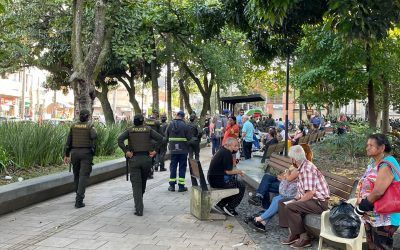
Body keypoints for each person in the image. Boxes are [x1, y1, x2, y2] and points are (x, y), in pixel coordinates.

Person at [354, 134, 400, 249]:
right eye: (367, 145)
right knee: (372, 246)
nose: (367, 148)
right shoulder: (372, 163)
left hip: (385, 217)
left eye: (371, 145)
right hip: (371, 215)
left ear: (382, 148)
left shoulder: (387, 163)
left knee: (381, 246)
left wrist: (361, 207)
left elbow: (378, 192)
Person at [279, 145, 330, 248]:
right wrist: (295, 199)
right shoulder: (302, 167)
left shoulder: (307, 168)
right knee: (284, 203)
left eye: (291, 159)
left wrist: (296, 203)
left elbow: (310, 193)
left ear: (293, 159)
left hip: (319, 203)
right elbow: (301, 191)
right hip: (312, 201)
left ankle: (304, 237)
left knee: (291, 207)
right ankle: (294, 234)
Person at [117, 114, 164, 216]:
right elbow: (161, 139)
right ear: (143, 121)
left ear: (134, 121)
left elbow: (119, 139)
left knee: (136, 185)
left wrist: (126, 151)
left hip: (134, 159)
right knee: (142, 182)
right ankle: (139, 203)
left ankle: (139, 208)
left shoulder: (130, 130)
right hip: (146, 159)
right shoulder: (148, 129)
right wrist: (155, 151)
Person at [64, 109, 97, 208]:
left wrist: (66, 155)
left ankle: (77, 193)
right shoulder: (90, 126)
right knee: (83, 176)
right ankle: (79, 200)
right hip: (86, 154)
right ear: (87, 117)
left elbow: (68, 142)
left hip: (74, 153)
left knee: (76, 174)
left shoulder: (73, 126)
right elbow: (94, 136)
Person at [251, 166, 299, 232]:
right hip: (287, 196)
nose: (286, 175)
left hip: (296, 199)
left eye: (288, 174)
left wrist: (284, 180)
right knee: (276, 198)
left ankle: (260, 218)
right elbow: (282, 192)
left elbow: (285, 194)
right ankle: (263, 222)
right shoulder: (290, 181)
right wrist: (285, 180)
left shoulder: (296, 183)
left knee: (278, 200)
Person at [207, 137, 245, 216]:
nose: (237, 148)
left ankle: (220, 205)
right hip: (217, 181)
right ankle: (230, 207)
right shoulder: (227, 153)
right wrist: (239, 171)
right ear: (230, 145)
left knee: (235, 182)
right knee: (240, 186)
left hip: (212, 179)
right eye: (236, 146)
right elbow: (228, 171)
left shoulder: (222, 150)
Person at [166, 111, 192, 192]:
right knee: (182, 168)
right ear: (183, 117)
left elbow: (166, 136)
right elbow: (189, 138)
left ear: (177, 115)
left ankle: (172, 186)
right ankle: (181, 187)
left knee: (173, 167)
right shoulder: (185, 125)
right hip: (183, 150)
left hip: (173, 150)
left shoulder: (170, 124)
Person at [146, 109, 161, 177]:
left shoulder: (146, 121)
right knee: (154, 155)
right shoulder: (157, 122)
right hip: (154, 141)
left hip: (146, 141)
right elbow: (160, 133)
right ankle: (153, 167)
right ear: (157, 114)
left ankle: (149, 170)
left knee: (148, 156)